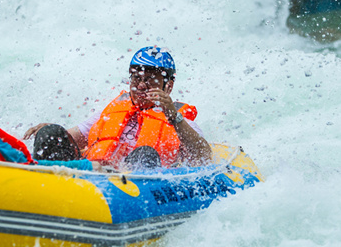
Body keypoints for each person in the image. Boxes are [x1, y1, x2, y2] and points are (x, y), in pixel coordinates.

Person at [24, 46, 212, 170]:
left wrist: (173, 116)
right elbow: (73, 138)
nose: (141, 85)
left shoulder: (180, 122)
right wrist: (51, 131)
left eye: (150, 80)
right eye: (137, 78)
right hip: (91, 177)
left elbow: (203, 158)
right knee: (50, 133)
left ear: (168, 86)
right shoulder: (110, 112)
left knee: (145, 154)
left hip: (135, 191)